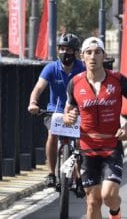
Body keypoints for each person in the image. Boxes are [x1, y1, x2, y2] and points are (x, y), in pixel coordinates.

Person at [63, 37, 127, 219]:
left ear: (104, 55)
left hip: (111, 146)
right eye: (88, 53)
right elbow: (68, 110)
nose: (93, 56)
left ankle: (115, 213)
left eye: (97, 52)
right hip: (87, 148)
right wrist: (69, 117)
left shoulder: (118, 80)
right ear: (81, 56)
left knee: (109, 195)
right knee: (92, 202)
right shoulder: (75, 83)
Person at [28, 33, 85, 187]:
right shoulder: (51, 68)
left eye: (69, 50)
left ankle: (79, 175)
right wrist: (33, 103)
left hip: (77, 111)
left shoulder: (83, 69)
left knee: (80, 141)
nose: (65, 53)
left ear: (76, 52)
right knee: (52, 134)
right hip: (55, 110)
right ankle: (51, 173)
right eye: (62, 48)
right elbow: (38, 88)